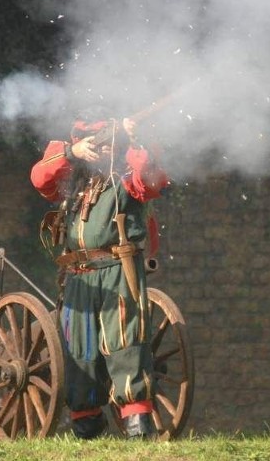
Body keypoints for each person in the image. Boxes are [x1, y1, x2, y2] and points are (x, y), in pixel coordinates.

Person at [30, 110, 169, 439]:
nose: (103, 148)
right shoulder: (73, 177)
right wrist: (70, 153)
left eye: (108, 141)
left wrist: (133, 137)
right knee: (81, 348)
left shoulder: (126, 174)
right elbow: (40, 178)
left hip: (117, 269)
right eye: (95, 142)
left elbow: (152, 179)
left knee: (124, 342)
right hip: (78, 274)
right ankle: (86, 422)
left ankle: (136, 422)